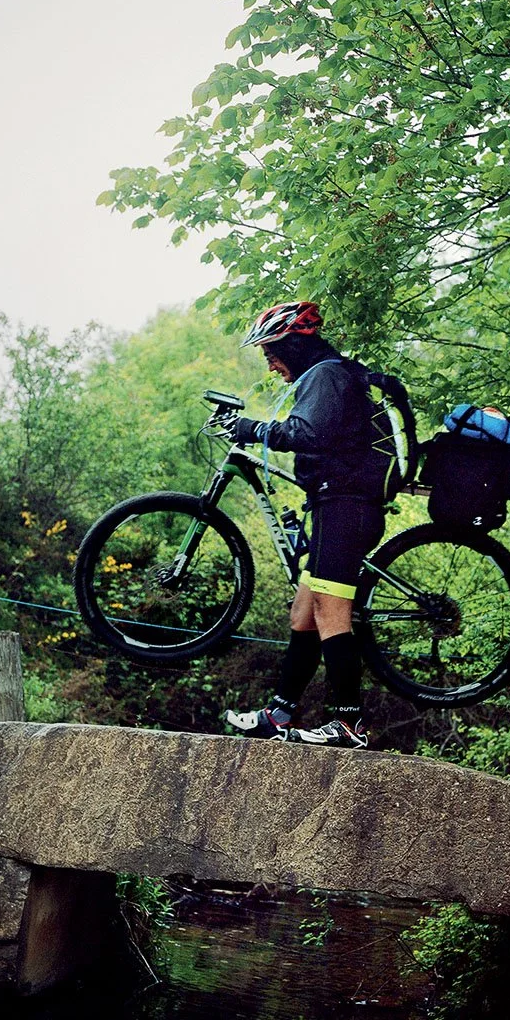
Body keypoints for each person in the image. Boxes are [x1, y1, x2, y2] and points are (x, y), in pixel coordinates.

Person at [220, 301, 389, 749]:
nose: (270, 364)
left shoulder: (326, 375)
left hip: (345, 507)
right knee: (303, 613)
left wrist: (250, 428)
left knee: (330, 613)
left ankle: (349, 726)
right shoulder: (324, 375)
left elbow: (307, 433)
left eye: (272, 353)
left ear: (294, 344)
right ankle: (278, 715)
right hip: (333, 504)